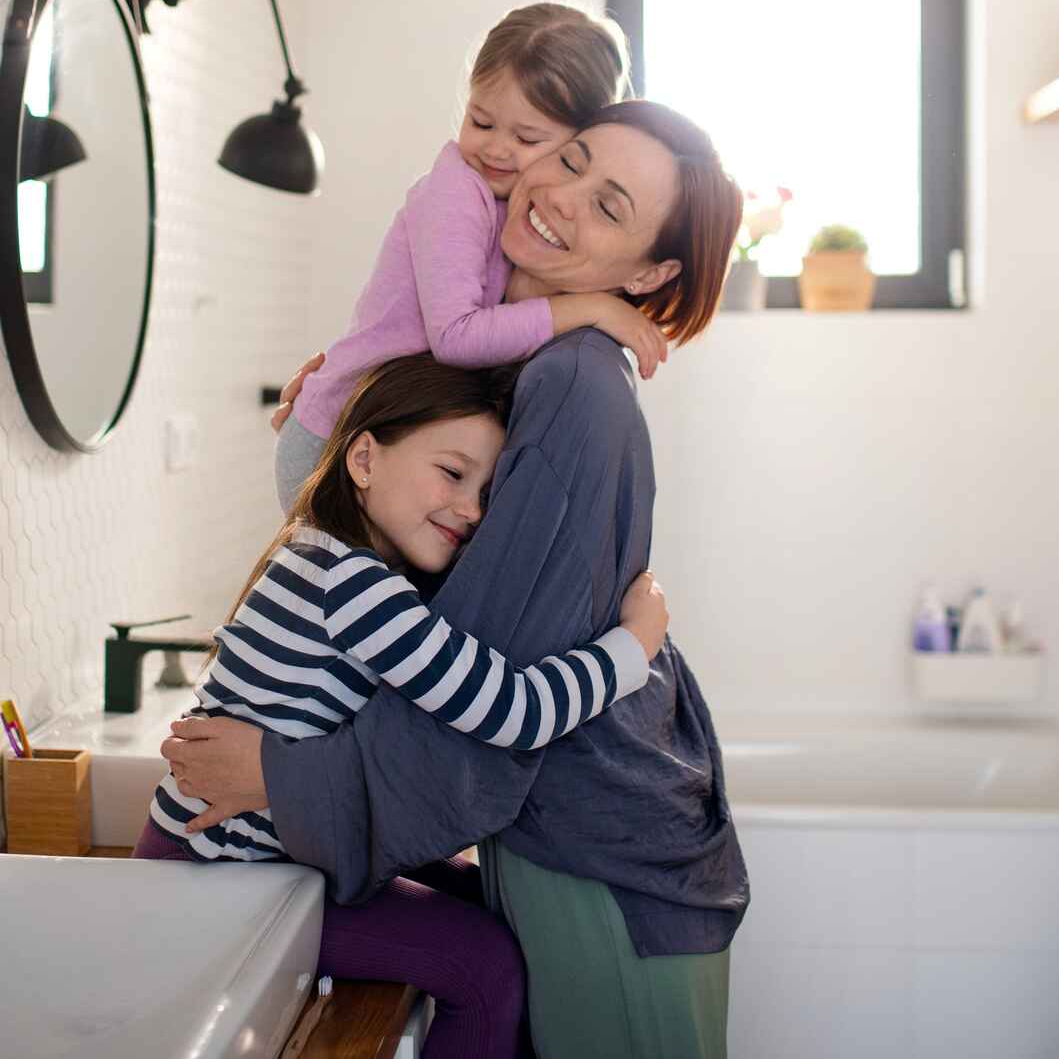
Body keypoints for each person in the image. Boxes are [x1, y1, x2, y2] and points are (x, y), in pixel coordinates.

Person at [164, 100, 751, 1058]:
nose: (557, 195)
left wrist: (283, 776)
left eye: (607, 207)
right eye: (569, 158)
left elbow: (495, 678)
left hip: (603, 853)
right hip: (594, 839)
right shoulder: (523, 355)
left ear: (647, 274)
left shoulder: (571, 384)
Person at [134, 354, 670, 1058]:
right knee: (484, 967)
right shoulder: (355, 586)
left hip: (243, 862)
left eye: (488, 491)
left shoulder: (323, 556)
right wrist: (635, 645)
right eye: (451, 473)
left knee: (486, 905)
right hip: (220, 881)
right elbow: (514, 711)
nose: (471, 510)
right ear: (362, 457)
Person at [275, 2, 669, 514]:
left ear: (578, 142)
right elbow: (457, 336)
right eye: (480, 121)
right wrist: (593, 308)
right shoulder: (456, 193)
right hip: (333, 441)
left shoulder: (517, 211)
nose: (498, 150)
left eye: (528, 138)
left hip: (384, 439)